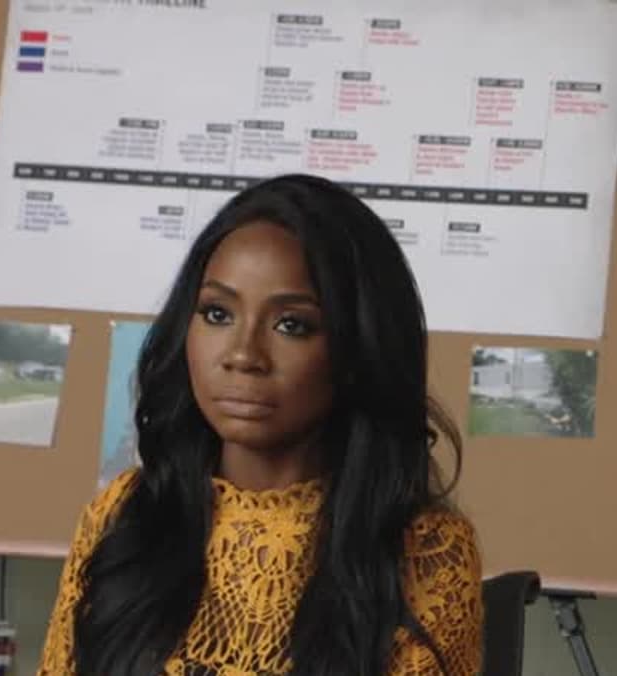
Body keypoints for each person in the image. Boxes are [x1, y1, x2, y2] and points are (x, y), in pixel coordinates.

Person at [36, 174, 483, 675]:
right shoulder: (123, 515)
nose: (243, 355)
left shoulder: (425, 550)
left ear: (357, 349)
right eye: (216, 313)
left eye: (292, 325)